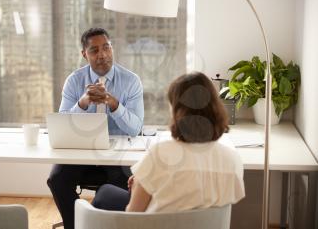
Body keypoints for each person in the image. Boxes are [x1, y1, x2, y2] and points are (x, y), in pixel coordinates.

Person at [91, 72, 245, 212]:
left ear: (177, 110)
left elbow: (133, 215)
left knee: (104, 193)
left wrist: (142, 184)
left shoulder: (160, 154)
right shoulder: (232, 159)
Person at [47, 27, 144, 229]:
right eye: (94, 50)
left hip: (116, 155)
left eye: (106, 48)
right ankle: (75, 225)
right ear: (84, 54)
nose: (102, 55)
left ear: (111, 48)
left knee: (121, 185)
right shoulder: (74, 81)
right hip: (81, 151)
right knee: (57, 179)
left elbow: (135, 128)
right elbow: (61, 124)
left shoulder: (131, 81)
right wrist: (83, 103)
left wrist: (113, 103)